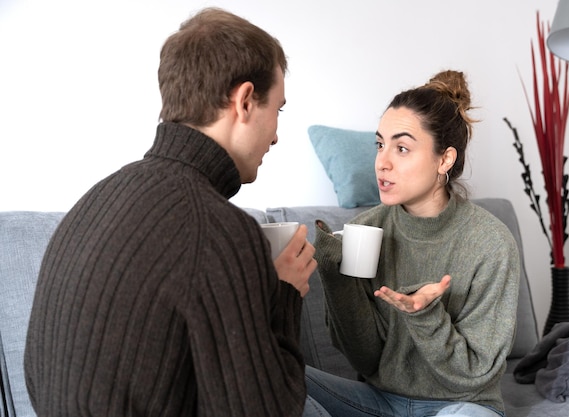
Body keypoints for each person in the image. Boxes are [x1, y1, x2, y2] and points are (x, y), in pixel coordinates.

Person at [24, 7, 329, 417]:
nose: (276, 135)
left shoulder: (98, 197)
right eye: (278, 109)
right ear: (243, 101)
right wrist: (285, 295)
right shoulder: (217, 229)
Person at [306, 70, 520, 417]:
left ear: (444, 160)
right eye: (380, 145)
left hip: (461, 405)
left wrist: (425, 316)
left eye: (401, 148)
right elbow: (364, 359)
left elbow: (475, 376)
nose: (382, 162)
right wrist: (336, 276)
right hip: (378, 402)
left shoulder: (491, 242)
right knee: (280, 378)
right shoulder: (364, 230)